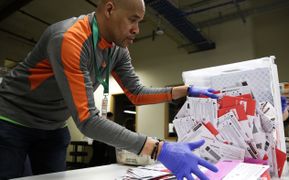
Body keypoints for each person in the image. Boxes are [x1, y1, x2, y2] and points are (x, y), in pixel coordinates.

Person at [0, 0, 219, 179]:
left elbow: (136, 93)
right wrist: (158, 148)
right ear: (109, 9)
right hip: (11, 118)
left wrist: (183, 91)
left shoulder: (118, 49)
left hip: (53, 126)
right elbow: (87, 120)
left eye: (140, 22)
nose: (137, 29)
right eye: (132, 20)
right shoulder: (69, 38)